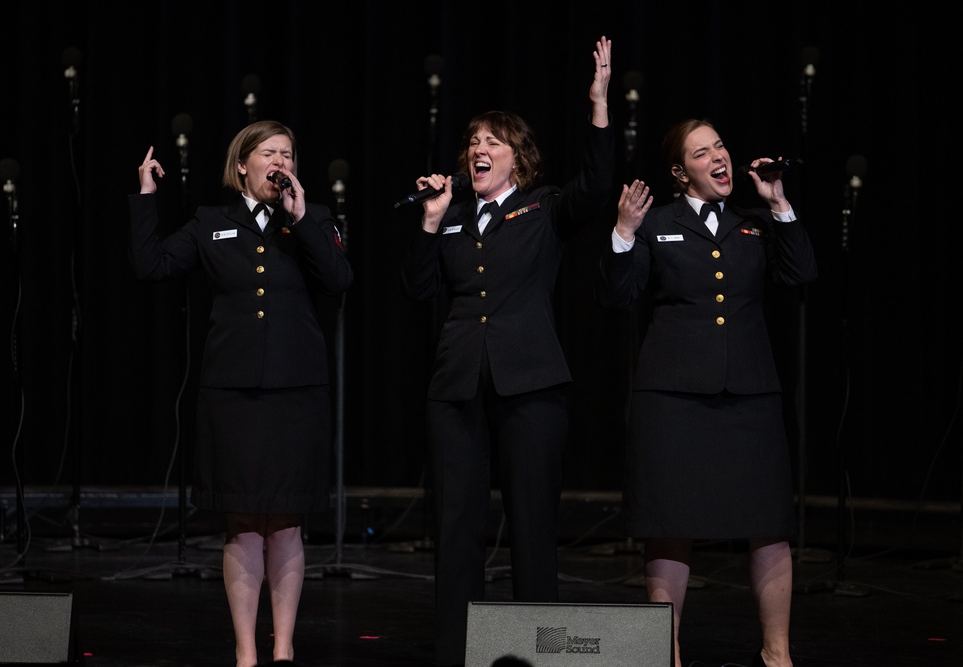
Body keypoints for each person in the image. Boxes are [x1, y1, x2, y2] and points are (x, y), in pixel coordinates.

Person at [400, 36, 615, 667]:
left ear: (518, 159)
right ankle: (455, 649)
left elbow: (597, 190)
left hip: (531, 384)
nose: (478, 151)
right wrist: (431, 220)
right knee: (457, 526)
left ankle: (536, 652)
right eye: (473, 143)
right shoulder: (455, 215)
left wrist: (598, 106)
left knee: (530, 526)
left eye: (492, 142)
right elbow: (417, 288)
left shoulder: (543, 208)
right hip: (458, 385)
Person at [129, 119, 353, 667]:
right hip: (231, 397)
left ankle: (285, 648)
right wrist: (146, 198)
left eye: (289, 154)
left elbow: (339, 281)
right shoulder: (212, 222)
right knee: (244, 523)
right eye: (270, 153)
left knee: (288, 522)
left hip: (296, 394)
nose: (281, 161)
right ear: (242, 166)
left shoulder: (314, 219)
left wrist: (301, 222)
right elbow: (149, 265)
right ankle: (246, 651)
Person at [594, 118, 817, 667]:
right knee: (670, 525)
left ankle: (776, 653)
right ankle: (663, 651)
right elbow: (616, 295)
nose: (719, 157)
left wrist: (778, 203)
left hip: (749, 394)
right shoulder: (657, 222)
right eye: (702, 152)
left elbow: (801, 273)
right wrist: (624, 230)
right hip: (673, 398)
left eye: (721, 145)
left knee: (768, 523)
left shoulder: (752, 224)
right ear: (680, 172)